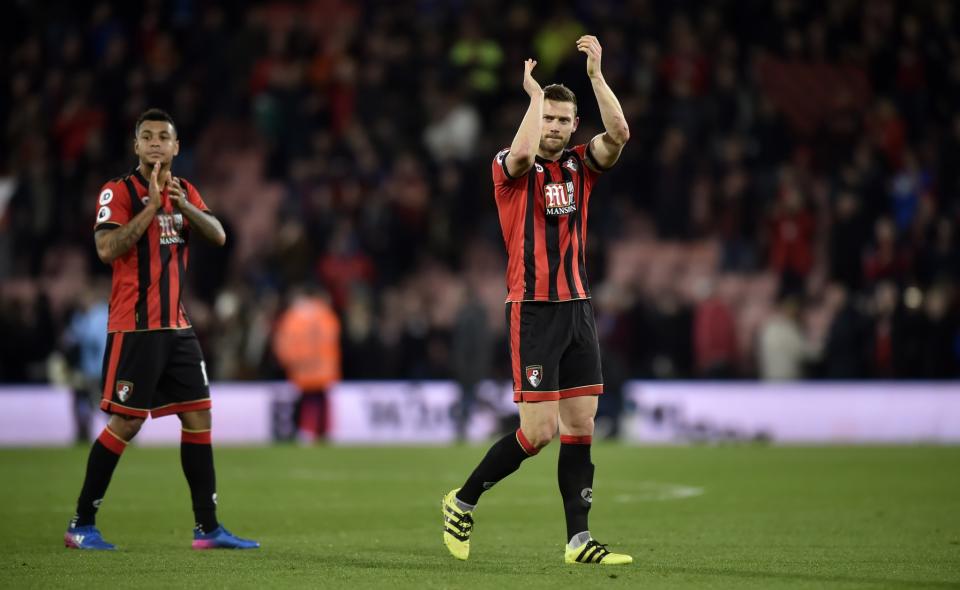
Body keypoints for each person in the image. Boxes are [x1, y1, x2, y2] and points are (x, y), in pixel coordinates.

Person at [442, 36, 632, 566]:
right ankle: (461, 500)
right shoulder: (507, 168)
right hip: (532, 310)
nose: (553, 126)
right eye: (546, 116)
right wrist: (530, 98)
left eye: (561, 120)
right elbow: (523, 152)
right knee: (538, 432)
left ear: (574, 126)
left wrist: (596, 75)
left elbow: (618, 134)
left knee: (581, 425)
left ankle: (578, 541)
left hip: (578, 308)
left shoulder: (580, 168)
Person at [64, 108, 258, 550]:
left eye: (163, 137)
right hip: (135, 329)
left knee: (198, 415)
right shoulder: (118, 191)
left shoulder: (185, 190)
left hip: (178, 326)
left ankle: (207, 529)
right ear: (136, 146)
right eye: (147, 136)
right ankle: (80, 523)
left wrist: (181, 204)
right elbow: (106, 249)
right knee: (126, 424)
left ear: (176, 147)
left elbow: (219, 235)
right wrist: (151, 208)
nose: (155, 143)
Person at [272, 284, 341, 443]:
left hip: (302, 367)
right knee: (320, 398)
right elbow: (333, 336)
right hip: (324, 366)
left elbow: (283, 342)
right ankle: (323, 431)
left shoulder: (293, 315)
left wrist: (288, 361)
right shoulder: (324, 313)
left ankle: (306, 430)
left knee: (306, 399)